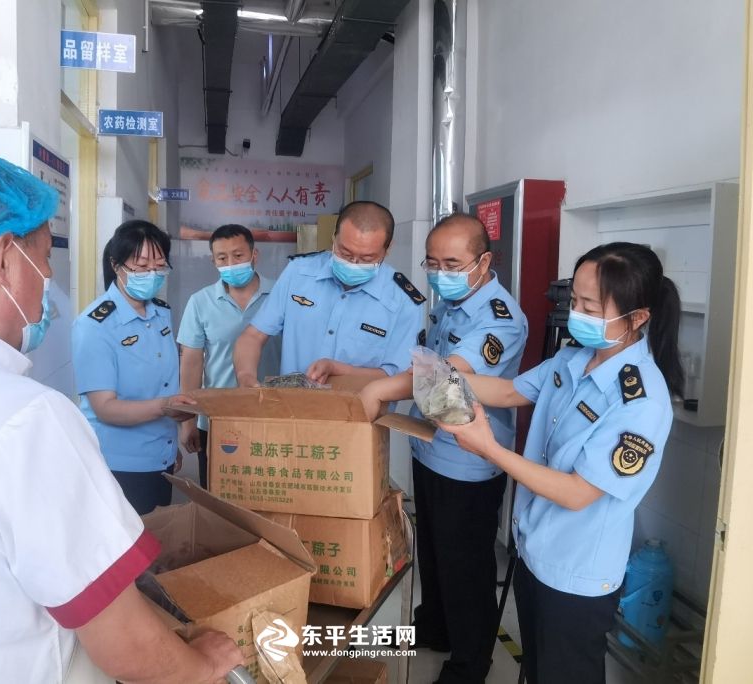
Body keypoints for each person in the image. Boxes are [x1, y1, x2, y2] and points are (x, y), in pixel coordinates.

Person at [0, 151, 242, 683]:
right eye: (43, 258)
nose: (49, 276)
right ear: (3, 259)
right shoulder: (24, 419)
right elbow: (125, 642)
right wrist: (203, 664)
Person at [369, 242, 683, 684]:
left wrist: (490, 449)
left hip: (576, 570)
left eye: (590, 307)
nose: (576, 314)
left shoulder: (641, 402)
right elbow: (508, 391)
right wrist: (432, 376)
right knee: (538, 668)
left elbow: (577, 493)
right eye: (575, 301)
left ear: (638, 317)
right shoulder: (573, 358)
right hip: (535, 548)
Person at [360, 214, 528, 683]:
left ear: (483, 262)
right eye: (432, 263)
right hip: (432, 450)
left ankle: (468, 666)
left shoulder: (499, 320)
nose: (439, 273)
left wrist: (378, 389)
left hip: (467, 464)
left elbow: (442, 375)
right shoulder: (452, 304)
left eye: (451, 264)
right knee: (433, 554)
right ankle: (434, 627)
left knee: (465, 569)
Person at [72, 220, 194, 515]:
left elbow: (164, 382)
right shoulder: (94, 325)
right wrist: (165, 407)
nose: (152, 274)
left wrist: (168, 446)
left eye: (159, 266)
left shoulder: (161, 313)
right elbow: (106, 408)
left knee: (157, 535)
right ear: (116, 266)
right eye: (141, 267)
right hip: (118, 464)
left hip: (160, 458)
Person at [232, 200, 425, 386]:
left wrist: (339, 370)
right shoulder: (298, 272)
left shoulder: (404, 303)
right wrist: (246, 377)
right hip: (291, 405)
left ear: (387, 249)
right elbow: (253, 336)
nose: (353, 263)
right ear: (334, 238)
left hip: (357, 408)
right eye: (345, 253)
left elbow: (398, 378)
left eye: (367, 258)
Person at [176, 224, 280, 488]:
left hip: (273, 417)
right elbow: (191, 362)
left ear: (254, 255)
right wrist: (188, 421)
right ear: (213, 261)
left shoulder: (280, 296)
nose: (231, 264)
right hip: (217, 419)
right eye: (222, 258)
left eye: (238, 255)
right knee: (217, 496)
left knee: (269, 494)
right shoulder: (200, 302)